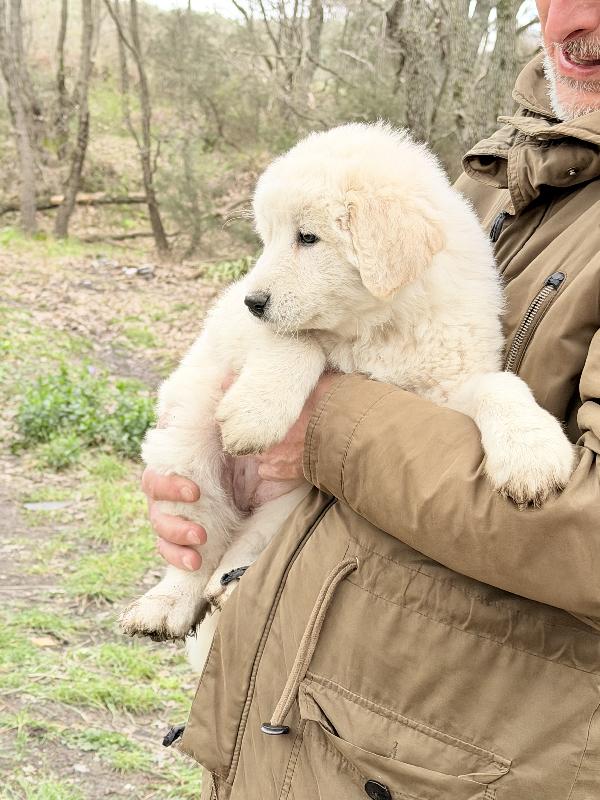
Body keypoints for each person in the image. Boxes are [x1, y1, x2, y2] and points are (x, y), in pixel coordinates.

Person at [142, 1, 600, 797]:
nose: (578, 19)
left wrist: (324, 421)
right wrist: (206, 511)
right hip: (311, 722)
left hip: (464, 762)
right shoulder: (506, 170)